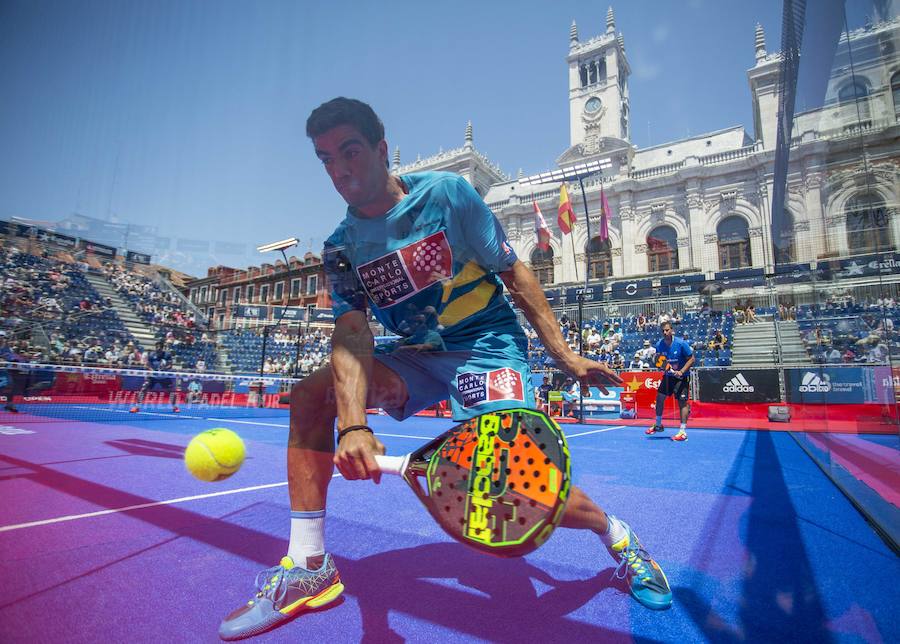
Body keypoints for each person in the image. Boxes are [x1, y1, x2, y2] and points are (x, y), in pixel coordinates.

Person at [218, 98, 672, 641]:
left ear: (382, 150)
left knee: (518, 491)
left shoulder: (448, 196)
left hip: (487, 345)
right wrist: (355, 425)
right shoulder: (342, 247)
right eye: (325, 159)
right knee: (309, 395)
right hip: (418, 355)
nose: (338, 171)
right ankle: (310, 566)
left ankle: (617, 534)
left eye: (351, 152)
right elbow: (353, 333)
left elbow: (515, 271)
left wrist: (564, 356)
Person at [645, 321, 695, 442]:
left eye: (667, 330)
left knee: (682, 402)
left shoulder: (681, 343)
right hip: (668, 377)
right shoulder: (659, 345)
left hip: (682, 377)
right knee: (660, 398)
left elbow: (692, 359)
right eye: (663, 331)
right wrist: (661, 366)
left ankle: (683, 432)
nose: (665, 332)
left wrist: (682, 371)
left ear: (672, 330)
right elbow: (660, 360)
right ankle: (658, 425)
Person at [130, 341, 180, 414]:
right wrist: (153, 370)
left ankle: (175, 407)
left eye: (160, 347)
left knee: (171, 392)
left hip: (164, 376)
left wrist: (164, 369)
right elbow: (147, 365)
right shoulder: (151, 354)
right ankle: (137, 407)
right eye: (157, 347)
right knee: (144, 389)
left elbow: (170, 365)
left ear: (163, 348)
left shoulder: (167, 354)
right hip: (153, 376)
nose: (158, 348)